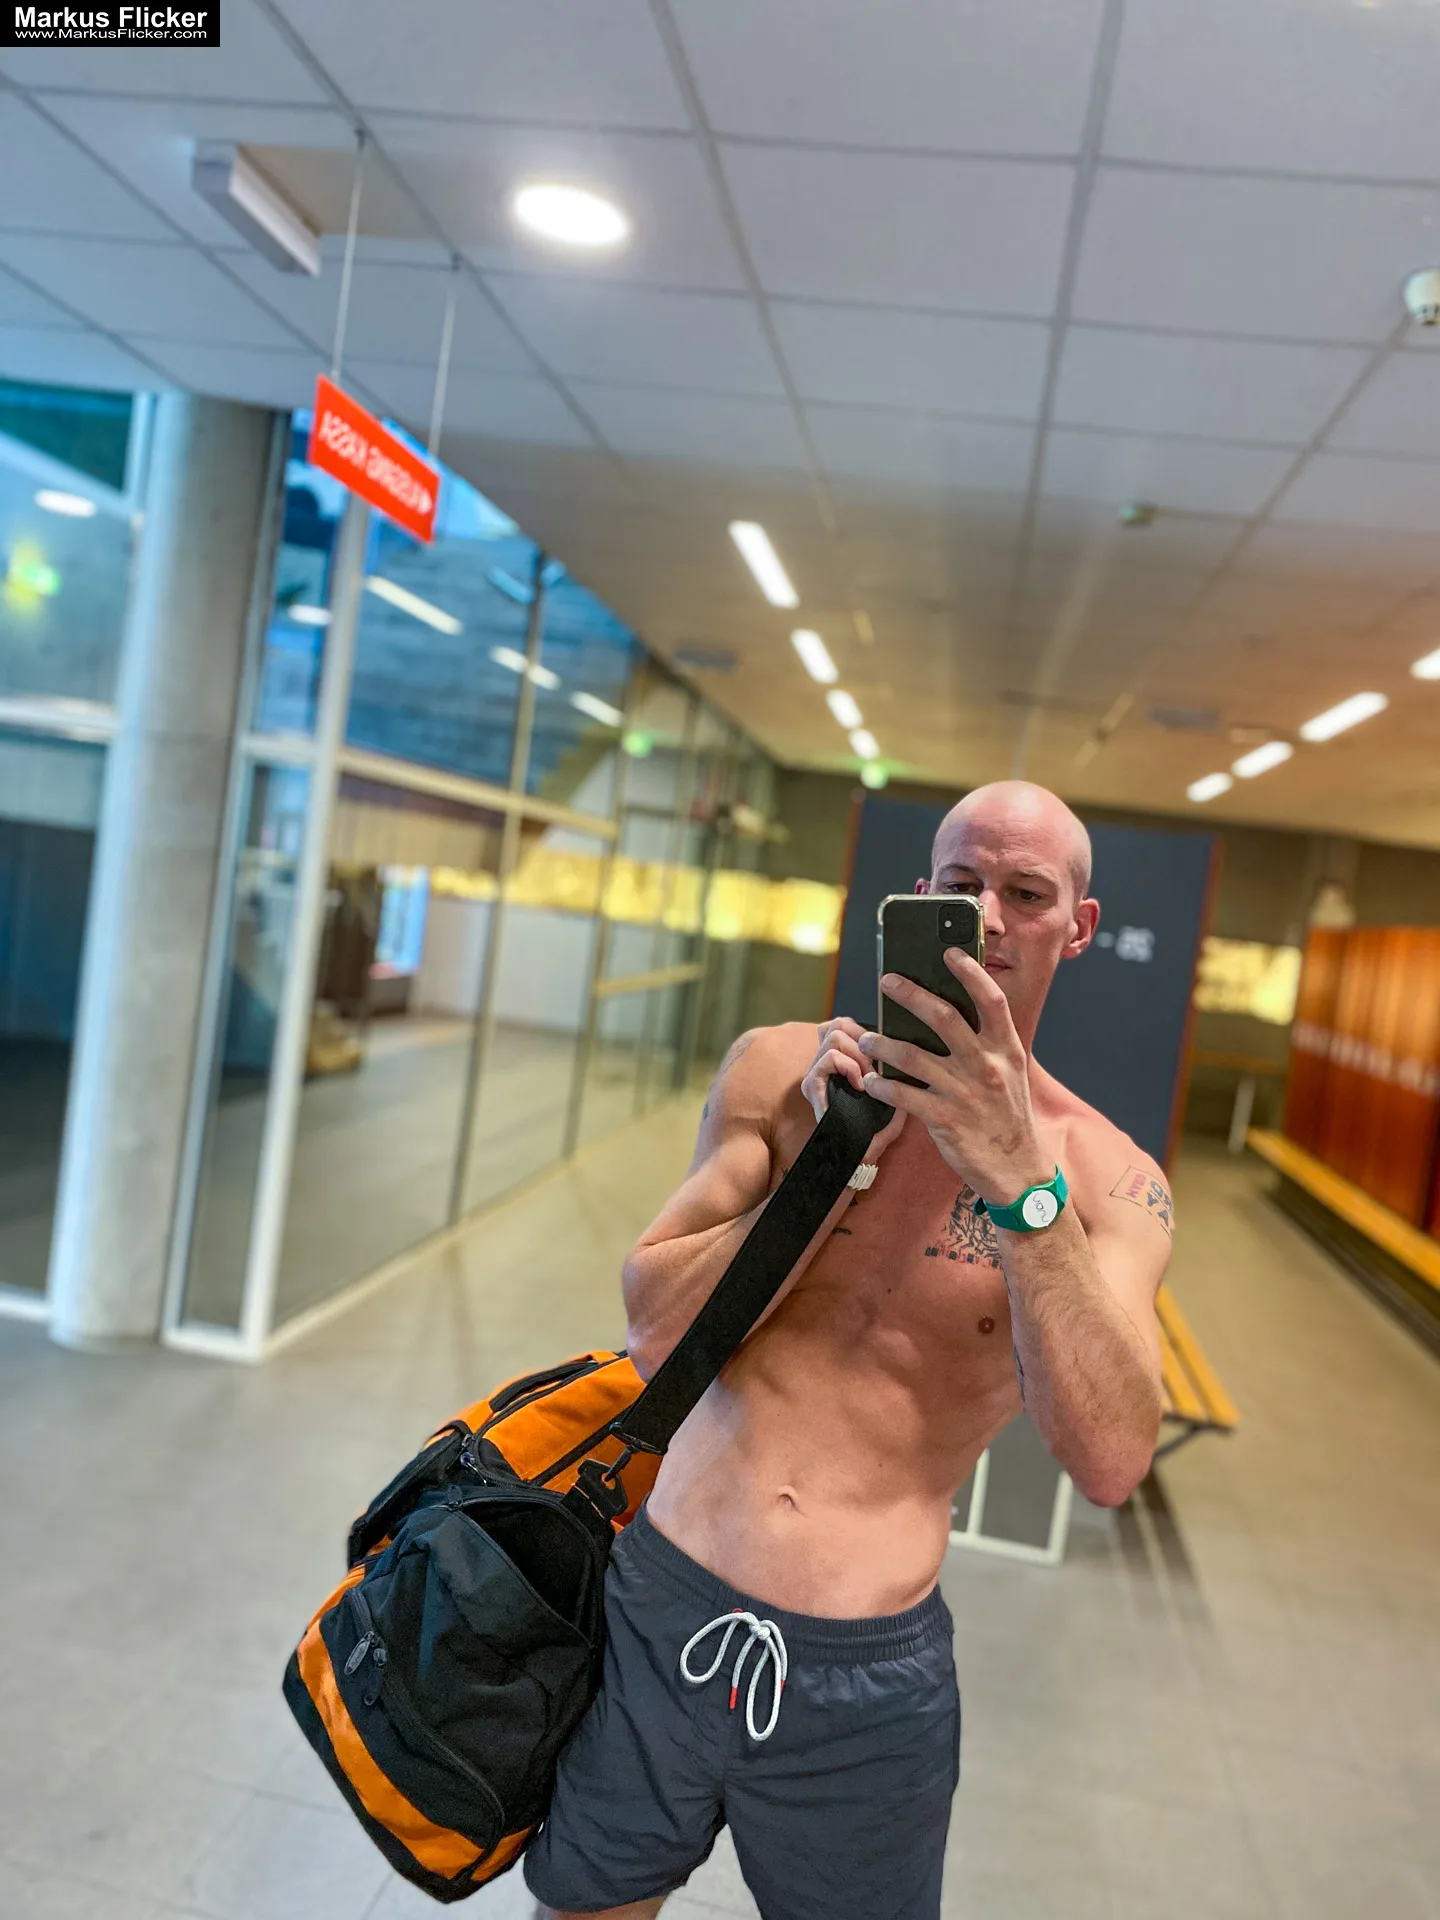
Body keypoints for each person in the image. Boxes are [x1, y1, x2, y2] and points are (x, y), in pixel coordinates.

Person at [526, 780, 1174, 1920]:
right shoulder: (782, 1072)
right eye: (962, 886)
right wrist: (835, 1159)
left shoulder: (1109, 1182)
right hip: (656, 1607)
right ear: (920, 897)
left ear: (1077, 927)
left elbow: (1113, 1459)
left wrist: (1021, 1192)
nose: (989, 917)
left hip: (865, 1687)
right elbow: (656, 1331)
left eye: (1026, 894)